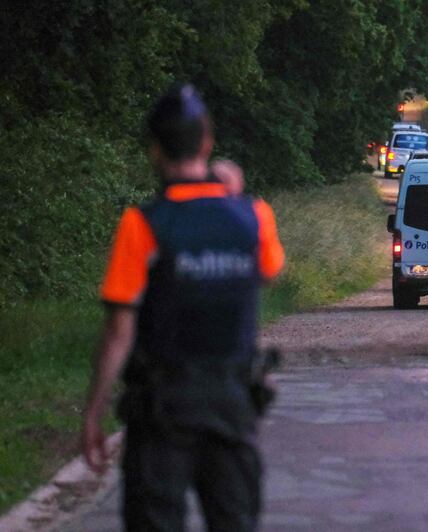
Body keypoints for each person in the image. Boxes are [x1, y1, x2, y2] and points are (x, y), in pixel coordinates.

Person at [81, 84, 285, 531]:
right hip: (232, 404)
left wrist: (93, 411)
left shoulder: (143, 223)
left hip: (163, 411)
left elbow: (119, 331)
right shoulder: (254, 216)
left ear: (154, 149)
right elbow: (269, 270)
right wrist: (229, 192)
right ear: (207, 143)